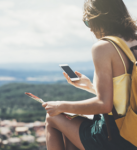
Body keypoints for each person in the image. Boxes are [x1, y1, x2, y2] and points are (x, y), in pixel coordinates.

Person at [42, 0, 137, 150]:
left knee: (53, 117)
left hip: (116, 136)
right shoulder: (134, 40)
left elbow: (104, 105)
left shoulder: (103, 47)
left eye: (88, 21)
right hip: (133, 131)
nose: (90, 29)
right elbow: (129, 93)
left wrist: (60, 106)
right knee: (72, 126)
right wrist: (90, 86)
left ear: (99, 18)